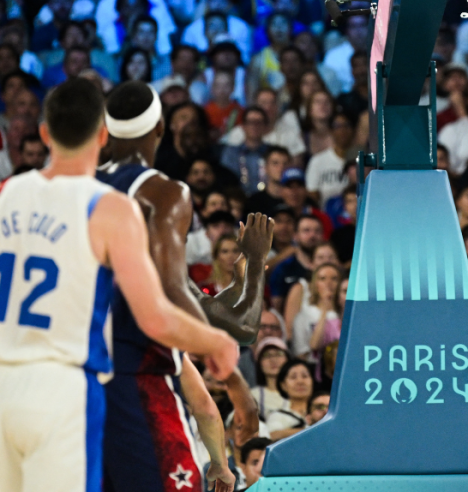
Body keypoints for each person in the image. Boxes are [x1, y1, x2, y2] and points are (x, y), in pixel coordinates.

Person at [0, 78, 239, 492]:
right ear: (101, 134)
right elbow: (156, 315)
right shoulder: (110, 207)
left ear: (43, 133)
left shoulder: (8, 192)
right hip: (63, 386)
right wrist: (215, 343)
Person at [97, 81, 271, 491]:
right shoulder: (163, 193)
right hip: (135, 376)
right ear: (160, 127)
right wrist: (235, 380)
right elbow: (185, 296)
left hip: (71, 378)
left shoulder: (76, 187)